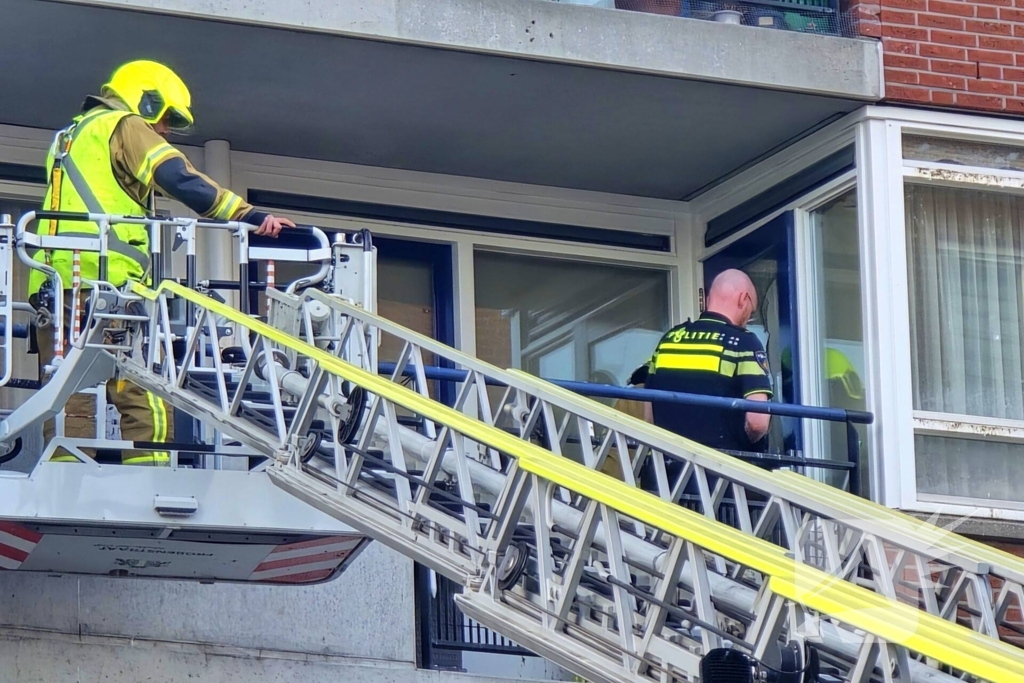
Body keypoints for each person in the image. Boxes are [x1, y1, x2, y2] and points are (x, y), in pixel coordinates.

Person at [30, 59, 295, 466]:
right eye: (166, 117)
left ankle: (66, 474)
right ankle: (150, 473)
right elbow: (177, 175)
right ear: (146, 99)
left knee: (69, 390)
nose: (166, 129)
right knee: (141, 388)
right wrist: (247, 215)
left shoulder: (69, 135)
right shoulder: (124, 125)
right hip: (109, 286)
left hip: (56, 287)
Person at [643, 269, 773, 453]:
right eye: (750, 313)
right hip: (718, 474)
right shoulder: (743, 342)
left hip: (665, 471)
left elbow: (649, 416)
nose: (747, 321)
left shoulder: (669, 339)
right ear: (743, 299)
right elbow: (757, 422)